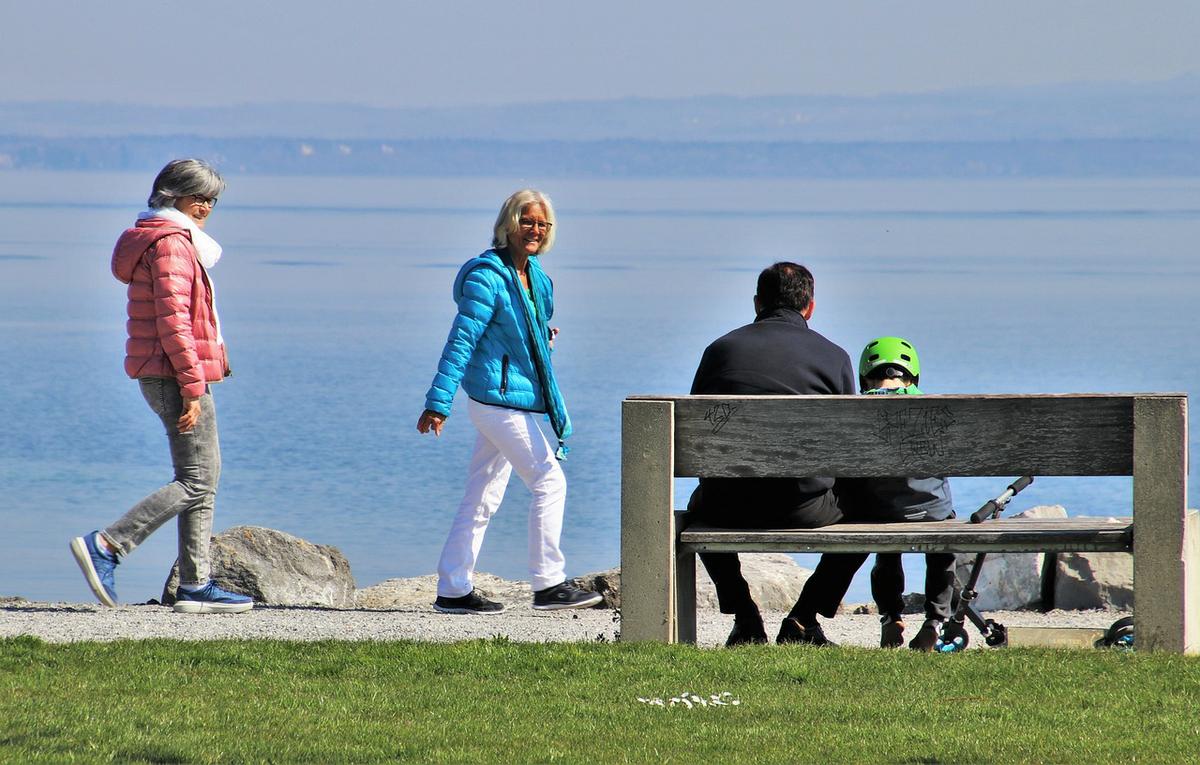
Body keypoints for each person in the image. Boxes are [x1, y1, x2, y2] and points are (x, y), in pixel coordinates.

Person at [70, 159, 253, 614]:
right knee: (198, 480)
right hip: (175, 375)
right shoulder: (172, 246)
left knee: (200, 479)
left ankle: (196, 585)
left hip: (167, 372)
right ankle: (108, 545)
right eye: (199, 196)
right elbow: (175, 325)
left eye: (212, 199)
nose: (207, 206)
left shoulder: (165, 241)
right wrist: (193, 386)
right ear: (173, 196)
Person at [417, 189, 602, 615]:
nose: (535, 229)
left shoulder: (536, 277)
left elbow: (526, 330)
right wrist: (438, 402)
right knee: (549, 480)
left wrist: (543, 338)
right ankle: (549, 583)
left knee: (482, 495)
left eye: (542, 223)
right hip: (496, 401)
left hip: (513, 399)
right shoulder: (487, 277)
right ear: (508, 225)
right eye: (527, 221)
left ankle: (453, 588)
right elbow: (462, 340)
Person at [686, 262, 856, 646]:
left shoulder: (720, 350)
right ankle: (803, 617)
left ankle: (745, 616)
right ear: (809, 306)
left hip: (725, 507)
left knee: (698, 504)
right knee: (869, 513)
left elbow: (699, 433)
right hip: (804, 508)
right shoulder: (834, 357)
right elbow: (850, 450)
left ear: (757, 303)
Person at [843, 336, 956, 651]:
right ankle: (936, 619)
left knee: (887, 546)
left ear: (865, 375)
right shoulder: (935, 407)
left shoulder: (857, 410)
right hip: (933, 510)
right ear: (913, 374)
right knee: (942, 544)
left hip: (881, 511)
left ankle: (891, 616)